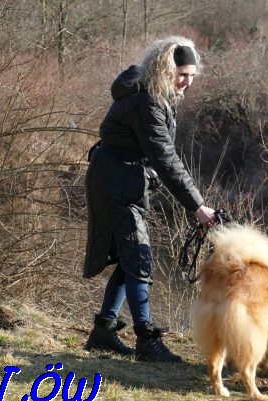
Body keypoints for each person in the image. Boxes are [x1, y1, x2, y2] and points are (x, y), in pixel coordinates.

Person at [83, 35, 216, 362]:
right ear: (165, 68)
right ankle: (146, 340)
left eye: (192, 75)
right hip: (116, 181)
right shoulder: (149, 101)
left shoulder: (154, 92)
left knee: (131, 255)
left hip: (119, 178)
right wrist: (197, 206)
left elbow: (154, 154)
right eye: (182, 73)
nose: (187, 81)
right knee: (139, 257)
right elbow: (165, 157)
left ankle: (103, 331)